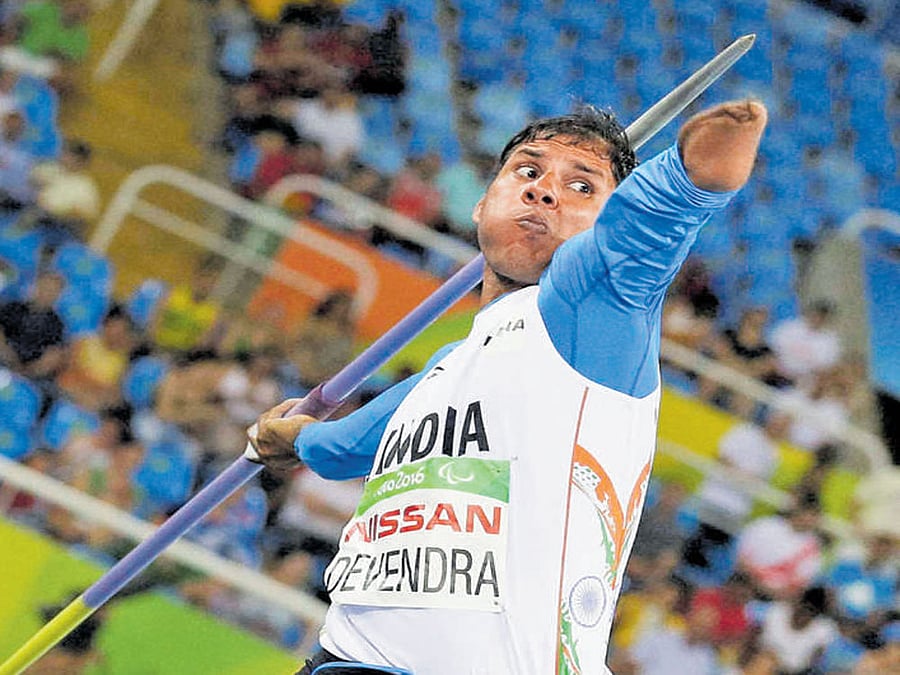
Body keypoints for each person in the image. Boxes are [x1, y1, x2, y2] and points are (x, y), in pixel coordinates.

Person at [251, 99, 767, 673]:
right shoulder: (451, 365)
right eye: (529, 171)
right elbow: (343, 446)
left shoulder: (589, 310)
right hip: (343, 660)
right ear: (480, 203)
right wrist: (292, 438)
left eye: (581, 187)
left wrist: (691, 182)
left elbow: (642, 231)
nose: (545, 191)